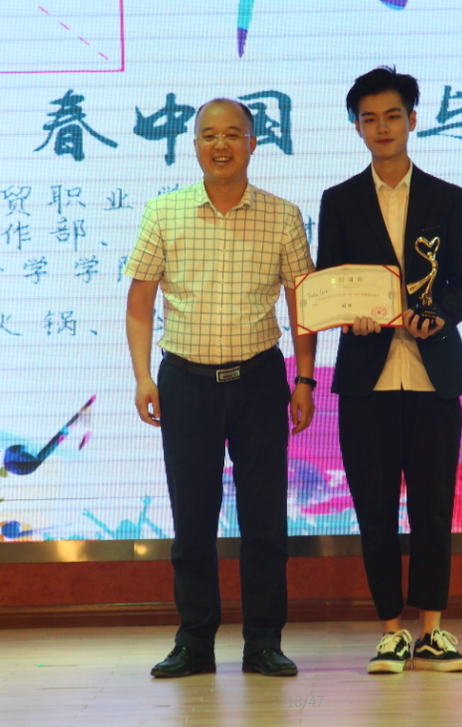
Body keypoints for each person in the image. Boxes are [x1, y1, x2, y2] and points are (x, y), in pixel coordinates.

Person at [124, 98, 317, 678]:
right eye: (209, 135)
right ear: (195, 145)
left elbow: (304, 305)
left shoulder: (282, 215)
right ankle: (194, 643)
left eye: (234, 134)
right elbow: (139, 302)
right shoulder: (164, 212)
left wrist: (304, 379)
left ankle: (264, 642)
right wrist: (142, 376)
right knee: (192, 522)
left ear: (253, 143)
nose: (221, 145)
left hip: (259, 382)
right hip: (186, 382)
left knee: (265, 521)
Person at [316, 67, 462, 674]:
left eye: (392, 116)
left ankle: (433, 630)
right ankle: (390, 630)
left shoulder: (447, 197)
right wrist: (349, 316)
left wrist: (438, 316)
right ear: (356, 127)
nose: (381, 128)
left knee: (433, 507)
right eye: (369, 119)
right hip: (368, 380)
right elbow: (329, 284)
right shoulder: (339, 201)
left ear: (412, 119)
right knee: (375, 509)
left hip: (434, 376)